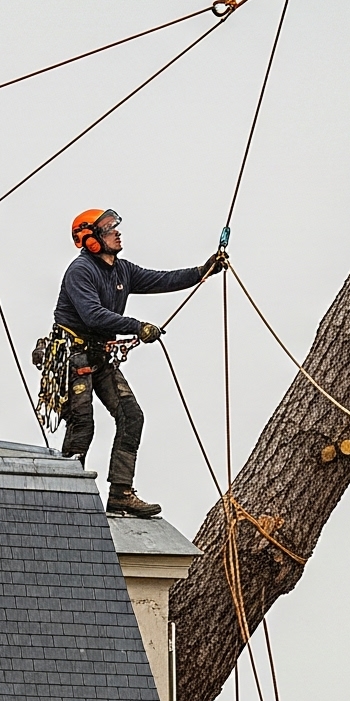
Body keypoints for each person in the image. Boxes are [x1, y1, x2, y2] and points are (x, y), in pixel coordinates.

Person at [53, 209, 224, 517]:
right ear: (90, 239)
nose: (117, 233)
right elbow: (92, 314)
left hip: (99, 355)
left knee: (131, 416)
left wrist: (203, 270)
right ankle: (65, 494)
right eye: (108, 229)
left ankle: (120, 493)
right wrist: (137, 326)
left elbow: (163, 279)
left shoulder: (123, 271)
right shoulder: (80, 271)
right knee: (83, 424)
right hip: (72, 353)